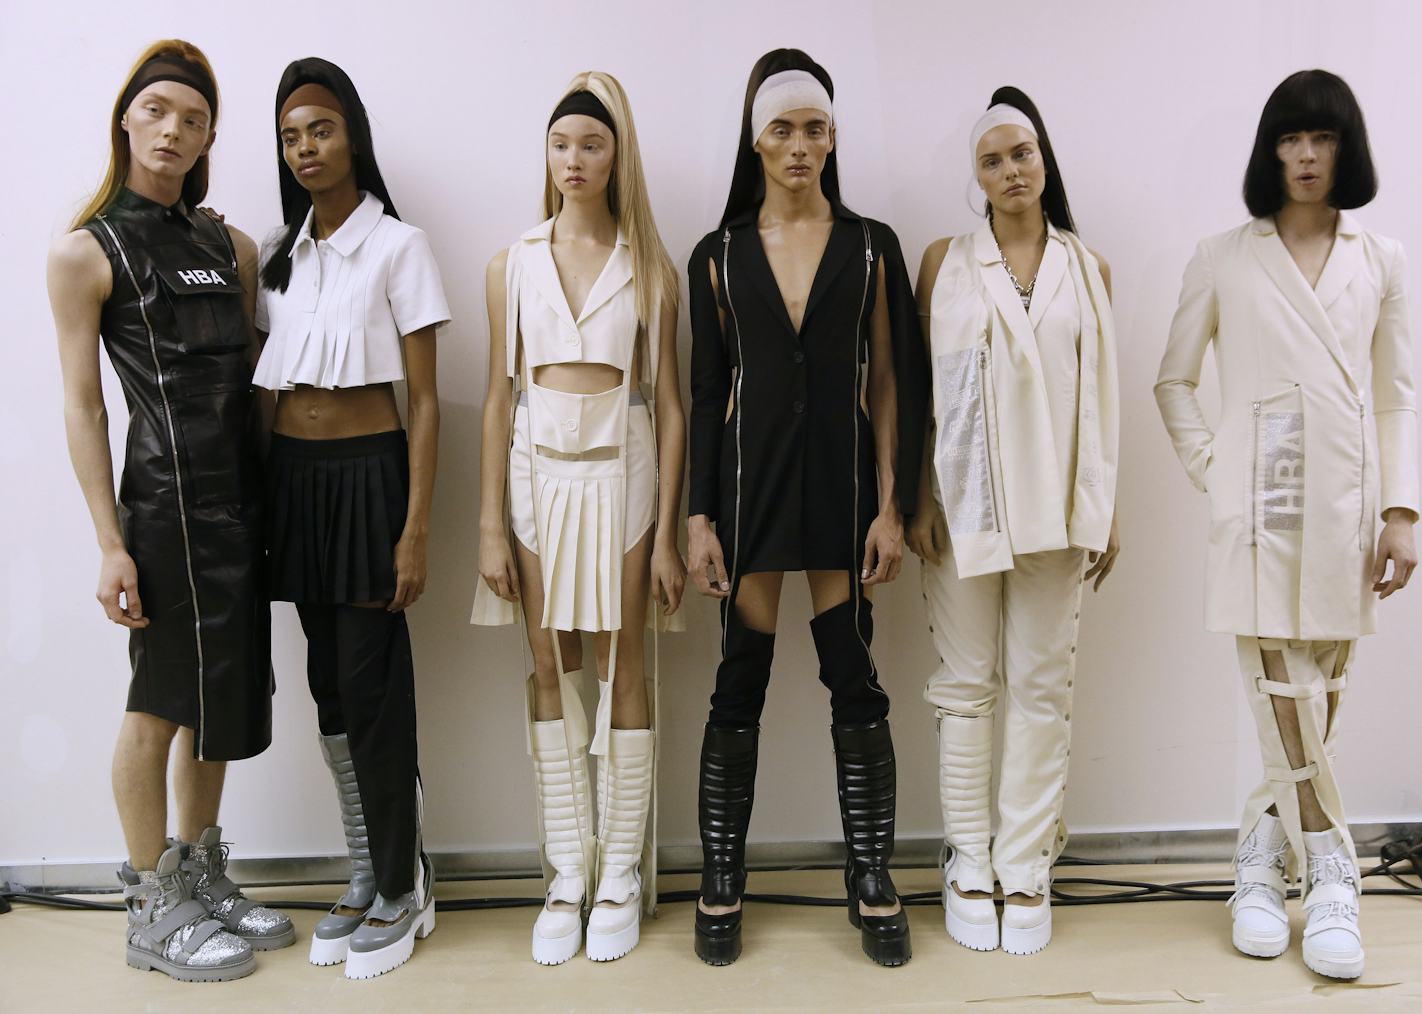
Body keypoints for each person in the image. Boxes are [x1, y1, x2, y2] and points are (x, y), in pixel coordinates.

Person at [1155, 69, 1419, 980]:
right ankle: (1335, 871)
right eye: (1290, 139)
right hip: (1259, 510)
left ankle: (1263, 861)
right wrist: (1216, 468)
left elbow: (1397, 395)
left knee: (1322, 696)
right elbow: (1174, 381)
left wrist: (1401, 510)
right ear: (1270, 151)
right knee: (1284, 694)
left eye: (1323, 138)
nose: (1306, 156)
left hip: (1347, 503)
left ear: (1347, 150)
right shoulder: (1223, 256)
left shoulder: (1381, 259)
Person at [47, 38, 292, 982]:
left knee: (218, 702)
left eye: (193, 120)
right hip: (161, 512)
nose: (172, 131)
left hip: (240, 505)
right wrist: (109, 543)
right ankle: (152, 907)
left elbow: (255, 379)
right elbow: (83, 406)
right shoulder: (85, 251)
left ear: (208, 139)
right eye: (157, 111)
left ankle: (200, 874)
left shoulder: (230, 246)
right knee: (158, 704)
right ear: (126, 119)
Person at [685, 48, 929, 968]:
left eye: (814, 129)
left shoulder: (871, 246)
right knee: (738, 680)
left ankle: (871, 873)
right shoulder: (718, 255)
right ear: (757, 141)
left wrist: (893, 506)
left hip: (841, 484)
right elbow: (706, 394)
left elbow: (892, 382)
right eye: (782, 129)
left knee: (853, 676)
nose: (799, 145)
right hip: (749, 487)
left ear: (833, 138)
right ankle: (722, 876)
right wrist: (699, 517)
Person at [472, 71, 685, 965]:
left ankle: (621, 873)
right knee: (549, 657)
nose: (574, 159)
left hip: (622, 467)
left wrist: (668, 533)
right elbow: (498, 397)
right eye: (561, 143)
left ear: (617, 155)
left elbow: (668, 404)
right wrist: (489, 525)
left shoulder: (652, 268)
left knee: (621, 655)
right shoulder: (512, 263)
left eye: (591, 144)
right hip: (536, 470)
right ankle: (568, 869)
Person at [909, 87, 1120, 956]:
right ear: (978, 175)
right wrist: (920, 497)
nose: (1010, 171)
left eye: (1021, 154)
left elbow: (1103, 397)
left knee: (1041, 685)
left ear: (1043, 159)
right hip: (963, 501)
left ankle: (1026, 862)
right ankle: (969, 857)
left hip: (1060, 506)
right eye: (991, 160)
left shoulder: (1089, 267)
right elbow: (924, 393)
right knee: (965, 683)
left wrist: (1107, 510)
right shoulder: (944, 262)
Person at [254, 57, 449, 979]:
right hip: (293, 482)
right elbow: (262, 391)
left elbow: (428, 402)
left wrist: (415, 528)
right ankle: (368, 867)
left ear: (353, 136)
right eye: (291, 136)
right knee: (328, 684)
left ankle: (406, 885)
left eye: (321, 130)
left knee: (372, 685)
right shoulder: (278, 254)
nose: (306, 149)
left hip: (372, 475)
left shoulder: (399, 246)